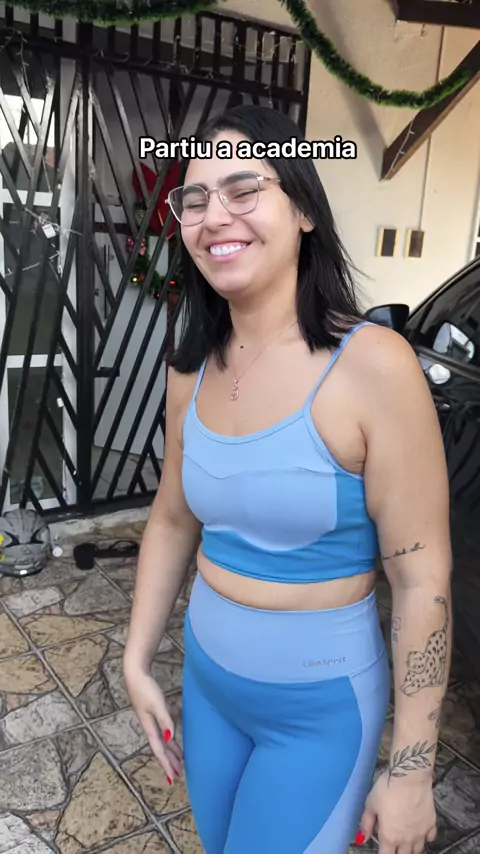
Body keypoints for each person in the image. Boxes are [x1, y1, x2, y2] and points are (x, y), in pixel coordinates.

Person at [123, 105, 452, 854]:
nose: (215, 216)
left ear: (303, 209)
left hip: (319, 715)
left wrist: (411, 769)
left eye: (244, 189)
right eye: (194, 199)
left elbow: (421, 579)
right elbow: (172, 518)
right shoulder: (190, 368)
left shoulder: (374, 367)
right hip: (209, 688)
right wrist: (137, 658)